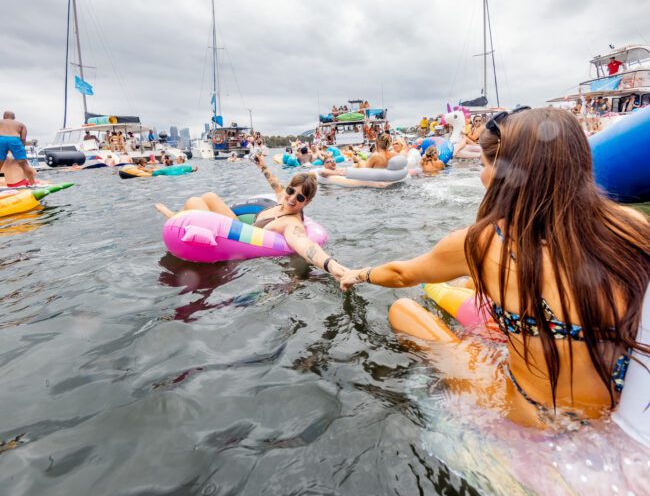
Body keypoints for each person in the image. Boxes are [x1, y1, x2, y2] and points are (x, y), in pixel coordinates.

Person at [339, 107, 649, 426]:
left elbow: (402, 273)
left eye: (484, 165)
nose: (481, 174)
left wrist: (358, 274)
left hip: (534, 415)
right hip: (615, 412)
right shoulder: (632, 227)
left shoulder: (482, 243)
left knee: (403, 310)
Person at [155, 155, 348, 279]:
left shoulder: (291, 223)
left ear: (306, 202)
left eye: (300, 197)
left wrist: (330, 265)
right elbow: (274, 183)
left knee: (195, 203)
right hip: (239, 226)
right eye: (291, 190)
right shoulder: (284, 198)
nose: (291, 198)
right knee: (209, 197)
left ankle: (174, 218)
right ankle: (178, 221)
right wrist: (262, 165)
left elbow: (305, 245)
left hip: (240, 238)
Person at [0, 111, 36, 185]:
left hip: (1, 139)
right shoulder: (21, 125)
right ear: (14, 117)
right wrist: (21, 150)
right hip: (15, 139)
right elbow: (23, 138)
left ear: (4, 117)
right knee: (24, 164)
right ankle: (33, 184)